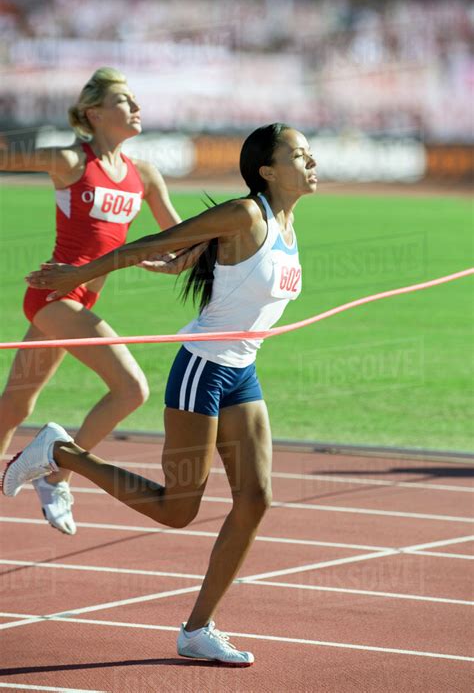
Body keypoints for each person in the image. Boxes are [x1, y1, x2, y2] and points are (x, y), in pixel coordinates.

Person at [2, 123, 318, 665]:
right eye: (300, 154)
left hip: (242, 370)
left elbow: (198, 258)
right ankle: (59, 453)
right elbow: (151, 242)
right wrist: (81, 272)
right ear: (267, 170)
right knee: (177, 510)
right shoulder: (247, 214)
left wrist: (182, 262)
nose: (312, 162)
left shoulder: (287, 223)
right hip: (202, 368)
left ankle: (198, 630)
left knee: (256, 497)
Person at [0, 67, 203, 535]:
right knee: (132, 388)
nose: (136, 108)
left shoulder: (145, 176)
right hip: (52, 296)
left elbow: (179, 240)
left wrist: (189, 257)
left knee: (14, 405)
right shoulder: (71, 161)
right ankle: (57, 474)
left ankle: (50, 471)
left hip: (74, 299)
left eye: (136, 101)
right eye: (124, 101)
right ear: (94, 112)